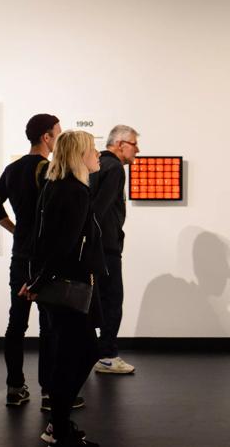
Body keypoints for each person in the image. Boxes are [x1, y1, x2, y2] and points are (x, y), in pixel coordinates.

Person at [20, 130, 104, 447]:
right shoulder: (74, 192)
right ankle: (58, 427)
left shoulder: (55, 187)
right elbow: (62, 246)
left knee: (68, 354)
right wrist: (37, 282)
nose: (97, 154)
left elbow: (41, 240)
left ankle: (58, 424)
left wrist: (35, 280)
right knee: (82, 353)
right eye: (93, 149)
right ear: (79, 155)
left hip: (55, 286)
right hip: (65, 286)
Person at [0, 114, 62, 409]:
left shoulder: (13, 169)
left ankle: (15, 387)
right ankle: (49, 391)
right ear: (46, 136)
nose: (58, 137)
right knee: (49, 325)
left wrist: (16, 230)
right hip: (44, 258)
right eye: (58, 133)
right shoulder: (49, 170)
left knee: (16, 324)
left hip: (21, 256)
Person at [90, 125, 139, 374]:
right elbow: (98, 210)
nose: (137, 150)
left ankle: (90, 354)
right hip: (105, 248)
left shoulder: (97, 164)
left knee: (93, 302)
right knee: (112, 301)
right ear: (120, 144)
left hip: (95, 247)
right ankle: (107, 355)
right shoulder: (115, 168)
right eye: (134, 144)